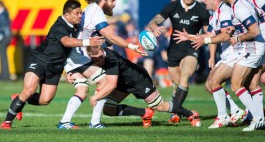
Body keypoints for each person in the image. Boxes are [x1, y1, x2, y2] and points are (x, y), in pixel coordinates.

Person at [0, 0, 105, 130]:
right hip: (39, 61)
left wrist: (68, 70)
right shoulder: (59, 26)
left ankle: (19, 99)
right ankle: (7, 123)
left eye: (80, 13)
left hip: (56, 67)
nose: (80, 16)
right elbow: (67, 42)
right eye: (77, 13)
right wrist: (88, 42)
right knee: (29, 90)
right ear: (67, 15)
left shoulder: (75, 25)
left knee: (45, 100)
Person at [58, 0, 147, 129]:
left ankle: (65, 121)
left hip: (74, 57)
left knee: (82, 89)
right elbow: (111, 35)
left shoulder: (90, 9)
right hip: (79, 56)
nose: (114, 4)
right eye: (112, 1)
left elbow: (94, 35)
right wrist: (130, 45)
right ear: (103, 0)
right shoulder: (97, 13)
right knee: (105, 83)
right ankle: (95, 123)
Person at [67, 46, 201, 128]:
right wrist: (71, 73)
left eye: (100, 57)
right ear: (90, 56)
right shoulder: (93, 57)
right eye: (95, 59)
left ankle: (191, 114)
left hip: (138, 80)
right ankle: (145, 113)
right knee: (108, 109)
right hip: (123, 84)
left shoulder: (111, 58)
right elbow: (83, 67)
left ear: (102, 50)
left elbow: (111, 84)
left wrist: (96, 96)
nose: (98, 60)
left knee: (159, 106)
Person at [173, 0, 245, 128]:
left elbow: (225, 35)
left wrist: (204, 40)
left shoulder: (224, 11)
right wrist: (191, 37)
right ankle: (237, 110)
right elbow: (210, 34)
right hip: (227, 54)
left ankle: (224, 116)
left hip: (235, 53)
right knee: (208, 85)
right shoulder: (214, 15)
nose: (203, 0)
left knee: (214, 82)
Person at [148, 0, 210, 123]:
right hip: (174, 50)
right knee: (176, 84)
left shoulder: (201, 11)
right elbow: (153, 21)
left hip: (192, 49)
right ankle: (179, 111)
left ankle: (174, 112)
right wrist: (154, 28)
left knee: (185, 77)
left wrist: (192, 37)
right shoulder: (172, 6)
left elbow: (210, 34)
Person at [219, 0, 265, 131]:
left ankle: (257, 118)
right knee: (252, 84)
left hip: (252, 48)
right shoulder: (243, 2)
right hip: (257, 46)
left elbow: (255, 30)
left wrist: (237, 38)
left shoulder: (239, 7)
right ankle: (261, 120)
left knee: (235, 84)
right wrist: (235, 28)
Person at [236, 0, 265, 122]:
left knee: (250, 79)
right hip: (258, 46)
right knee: (264, 79)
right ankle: (256, 115)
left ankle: (256, 117)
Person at [0, 0, 12, 81]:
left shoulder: (3, 13)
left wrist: (0, 35)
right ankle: (3, 74)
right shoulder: (3, 13)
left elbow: (4, 26)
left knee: (3, 55)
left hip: (5, 36)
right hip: (5, 36)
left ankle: (5, 75)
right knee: (2, 55)